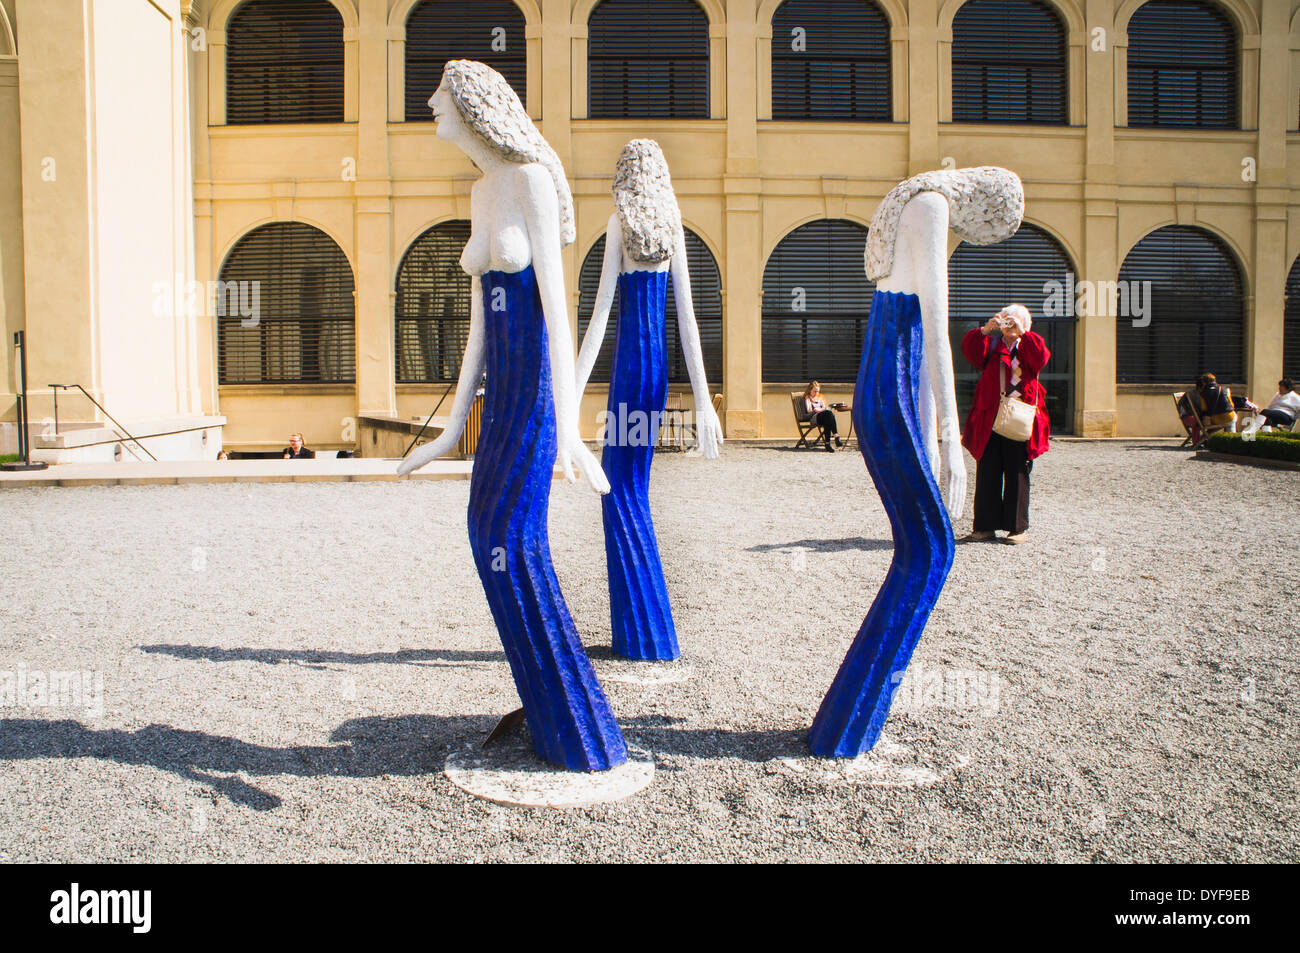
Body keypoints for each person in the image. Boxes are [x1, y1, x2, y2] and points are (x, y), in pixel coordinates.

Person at [395, 60, 626, 772]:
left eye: (440, 97)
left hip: (532, 398)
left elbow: (558, 315)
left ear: (471, 106)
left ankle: (577, 728)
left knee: (509, 533)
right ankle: (551, 704)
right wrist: (448, 427)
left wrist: (573, 430)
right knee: (486, 531)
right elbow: (476, 327)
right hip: (500, 399)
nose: (430, 107)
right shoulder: (480, 189)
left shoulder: (526, 181)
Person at [809, 165, 1022, 757]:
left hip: (892, 387)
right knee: (931, 549)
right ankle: (846, 731)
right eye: (989, 224)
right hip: (891, 390)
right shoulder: (929, 207)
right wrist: (951, 440)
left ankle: (846, 725)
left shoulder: (923, 207)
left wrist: (935, 433)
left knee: (925, 549)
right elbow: (934, 320)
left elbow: (923, 336)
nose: (978, 233)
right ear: (982, 199)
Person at [574, 139, 723, 661]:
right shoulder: (672, 227)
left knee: (619, 483)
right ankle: (647, 628)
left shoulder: (620, 224)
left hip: (629, 367)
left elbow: (597, 319)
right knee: (629, 483)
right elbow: (688, 322)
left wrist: (569, 400)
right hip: (655, 370)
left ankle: (642, 631)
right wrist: (704, 400)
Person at [961, 303, 1051, 545]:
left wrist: (1023, 333)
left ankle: (1017, 528)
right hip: (991, 417)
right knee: (987, 471)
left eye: (1014, 321)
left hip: (1020, 417)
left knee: (1017, 472)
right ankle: (984, 527)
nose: (1009, 325)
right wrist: (984, 330)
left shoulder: (1029, 344)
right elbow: (970, 353)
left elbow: (1040, 359)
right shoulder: (993, 345)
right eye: (1007, 321)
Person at [802, 381, 841, 451]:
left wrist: (820, 409)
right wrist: (818, 409)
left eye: (818, 391)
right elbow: (809, 410)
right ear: (810, 390)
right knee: (829, 414)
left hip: (822, 416)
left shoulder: (820, 397)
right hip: (814, 417)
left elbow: (824, 407)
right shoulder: (807, 398)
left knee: (828, 419)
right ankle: (836, 437)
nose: (816, 393)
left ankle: (828, 444)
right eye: (815, 391)